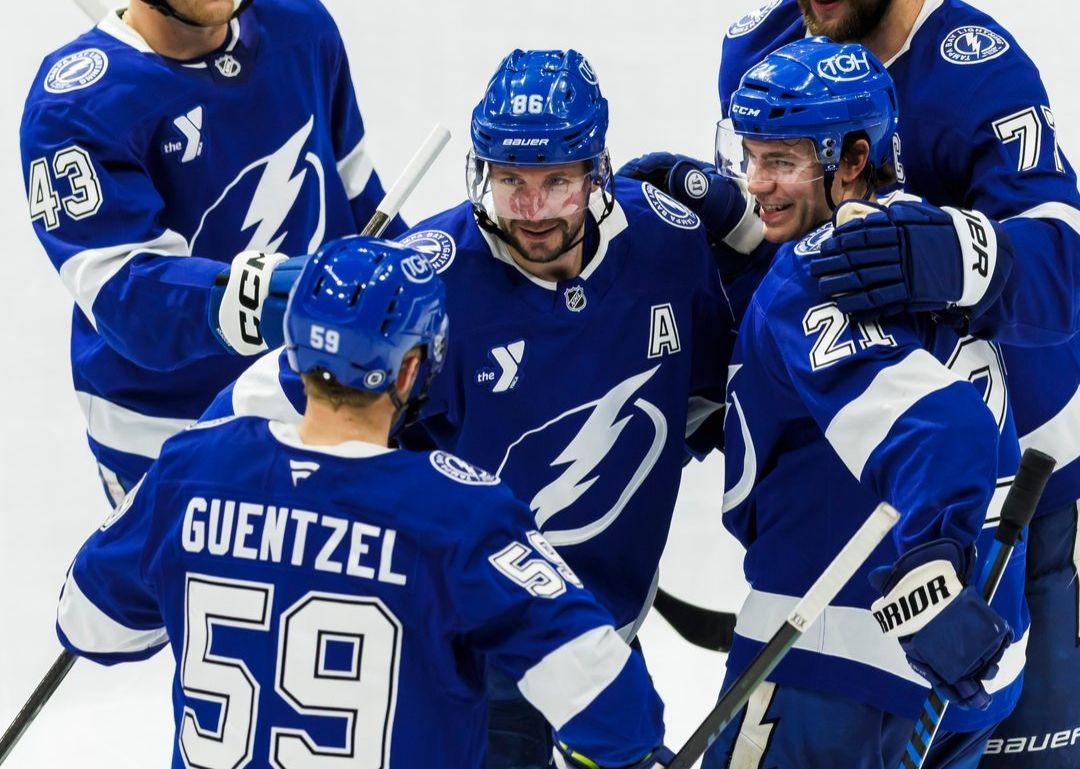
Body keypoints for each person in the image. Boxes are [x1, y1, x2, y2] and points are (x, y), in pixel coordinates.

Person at [203, 48, 734, 769]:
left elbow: (719, 389)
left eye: (556, 182)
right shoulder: (427, 280)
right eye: (510, 180)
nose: (531, 210)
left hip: (607, 629)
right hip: (473, 643)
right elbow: (269, 398)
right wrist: (177, 486)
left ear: (596, 173)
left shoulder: (669, 245)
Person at [55, 236, 671, 769]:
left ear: (293, 349)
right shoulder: (458, 514)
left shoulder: (189, 471)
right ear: (410, 372)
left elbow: (89, 623)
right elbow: (614, 709)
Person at [716, 3, 1079, 766]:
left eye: (779, 158)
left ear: (854, 158)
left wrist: (966, 254)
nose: (757, 179)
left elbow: (1064, 271)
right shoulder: (765, 47)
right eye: (749, 155)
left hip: (1005, 500)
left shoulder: (974, 67)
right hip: (919, 513)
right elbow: (774, 226)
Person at [20, 0, 403, 505]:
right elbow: (129, 299)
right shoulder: (76, 106)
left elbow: (355, 191)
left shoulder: (301, 26)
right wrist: (270, 298)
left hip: (317, 400)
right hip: (169, 430)